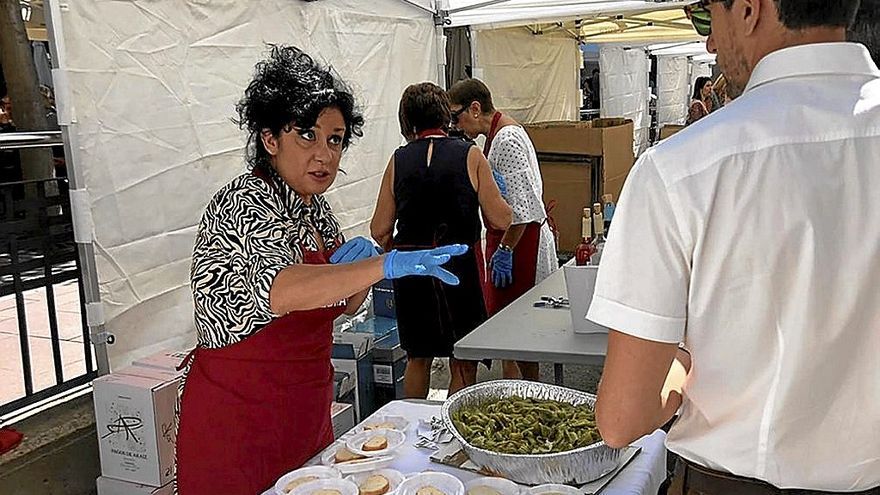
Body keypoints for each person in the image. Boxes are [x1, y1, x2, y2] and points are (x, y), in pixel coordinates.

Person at [589, 0, 880, 492]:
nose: (709, 42)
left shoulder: (683, 167)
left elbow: (621, 418)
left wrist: (679, 370)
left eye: (706, 17)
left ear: (749, 9)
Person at [177, 46, 467, 494]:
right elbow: (279, 290)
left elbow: (343, 302)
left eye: (335, 139)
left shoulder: (317, 210)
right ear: (270, 139)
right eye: (307, 136)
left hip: (306, 408)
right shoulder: (243, 202)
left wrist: (362, 270)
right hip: (240, 419)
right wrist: (381, 262)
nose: (325, 155)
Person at [370, 82, 512, 398]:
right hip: (459, 268)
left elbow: (379, 228)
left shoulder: (398, 160)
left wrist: (396, 248)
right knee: (462, 358)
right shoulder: (471, 155)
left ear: (407, 122)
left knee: (417, 357)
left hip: (413, 269)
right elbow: (501, 218)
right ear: (445, 117)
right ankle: (450, 435)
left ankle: (411, 429)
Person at [447, 79, 558, 382]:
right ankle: (515, 388)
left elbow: (523, 210)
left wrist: (506, 249)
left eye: (457, 116)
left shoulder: (506, 139)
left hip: (522, 242)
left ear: (475, 108)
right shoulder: (496, 135)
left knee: (520, 333)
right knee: (512, 332)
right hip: (515, 238)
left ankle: (531, 392)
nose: (455, 125)